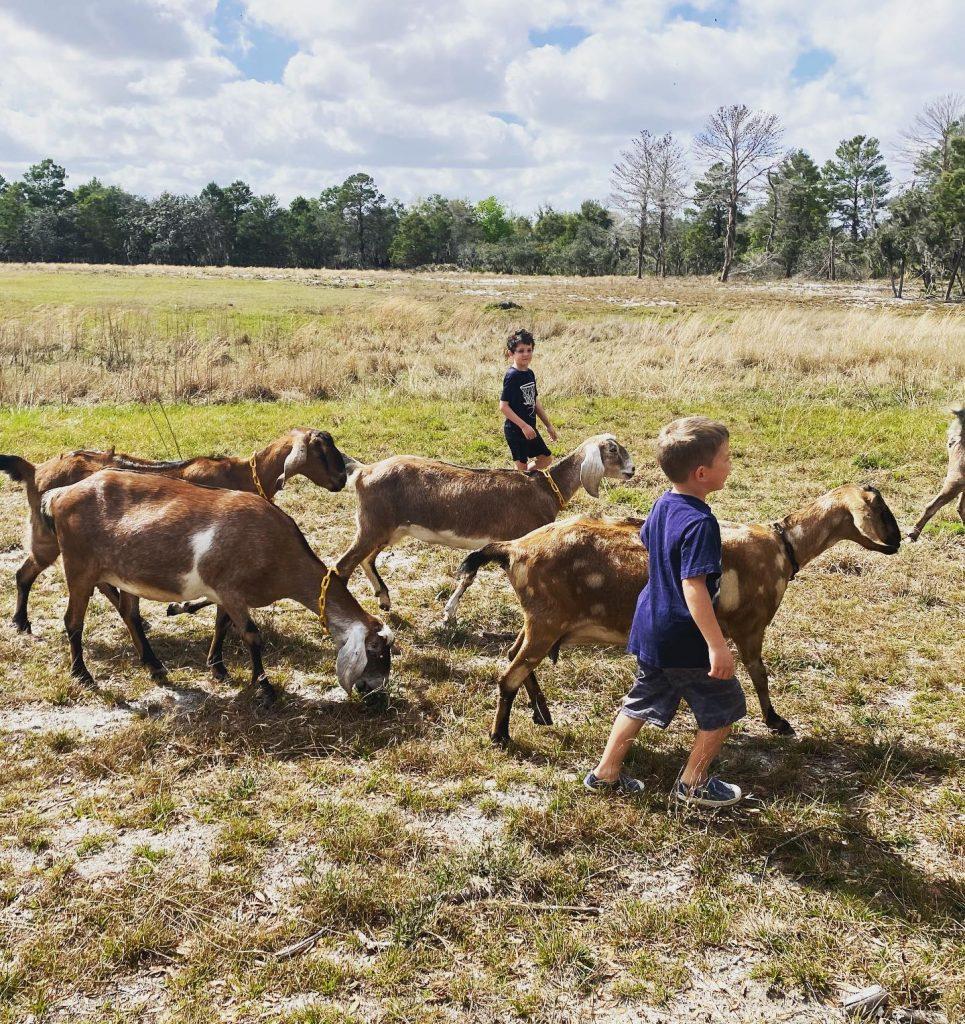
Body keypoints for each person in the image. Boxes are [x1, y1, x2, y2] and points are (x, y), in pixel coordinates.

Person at [584, 416, 746, 808]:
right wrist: (716, 646)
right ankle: (694, 783)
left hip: (650, 623)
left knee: (641, 699)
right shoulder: (702, 523)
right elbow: (693, 588)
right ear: (703, 473)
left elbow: (647, 539)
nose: (731, 464)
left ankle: (605, 774)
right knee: (724, 706)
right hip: (683, 635)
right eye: (726, 458)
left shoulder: (663, 503)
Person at [499, 329, 557, 472]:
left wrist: (548, 425)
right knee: (521, 468)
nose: (526, 354)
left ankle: (523, 477)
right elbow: (503, 406)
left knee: (546, 459)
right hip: (516, 430)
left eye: (529, 350)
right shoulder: (512, 376)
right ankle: (520, 482)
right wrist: (523, 426)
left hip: (530, 428)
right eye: (520, 351)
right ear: (511, 353)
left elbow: (534, 400)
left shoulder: (529, 373)